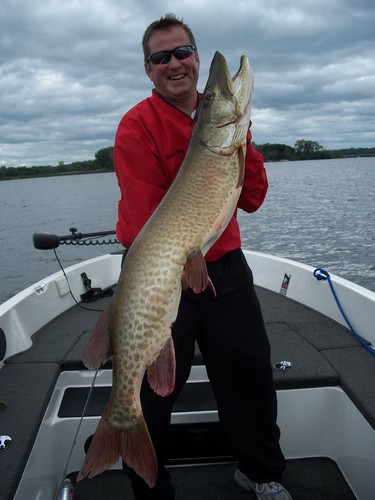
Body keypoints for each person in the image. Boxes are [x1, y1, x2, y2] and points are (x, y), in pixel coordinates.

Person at [113, 13, 292, 500]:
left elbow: (251, 198)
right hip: (161, 274)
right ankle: (151, 488)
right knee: (152, 391)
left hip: (226, 271)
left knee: (249, 371)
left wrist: (241, 138)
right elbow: (152, 224)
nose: (176, 63)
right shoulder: (136, 128)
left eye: (183, 53)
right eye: (161, 57)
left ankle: (259, 472)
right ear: (148, 69)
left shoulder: (228, 129)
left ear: (194, 56)